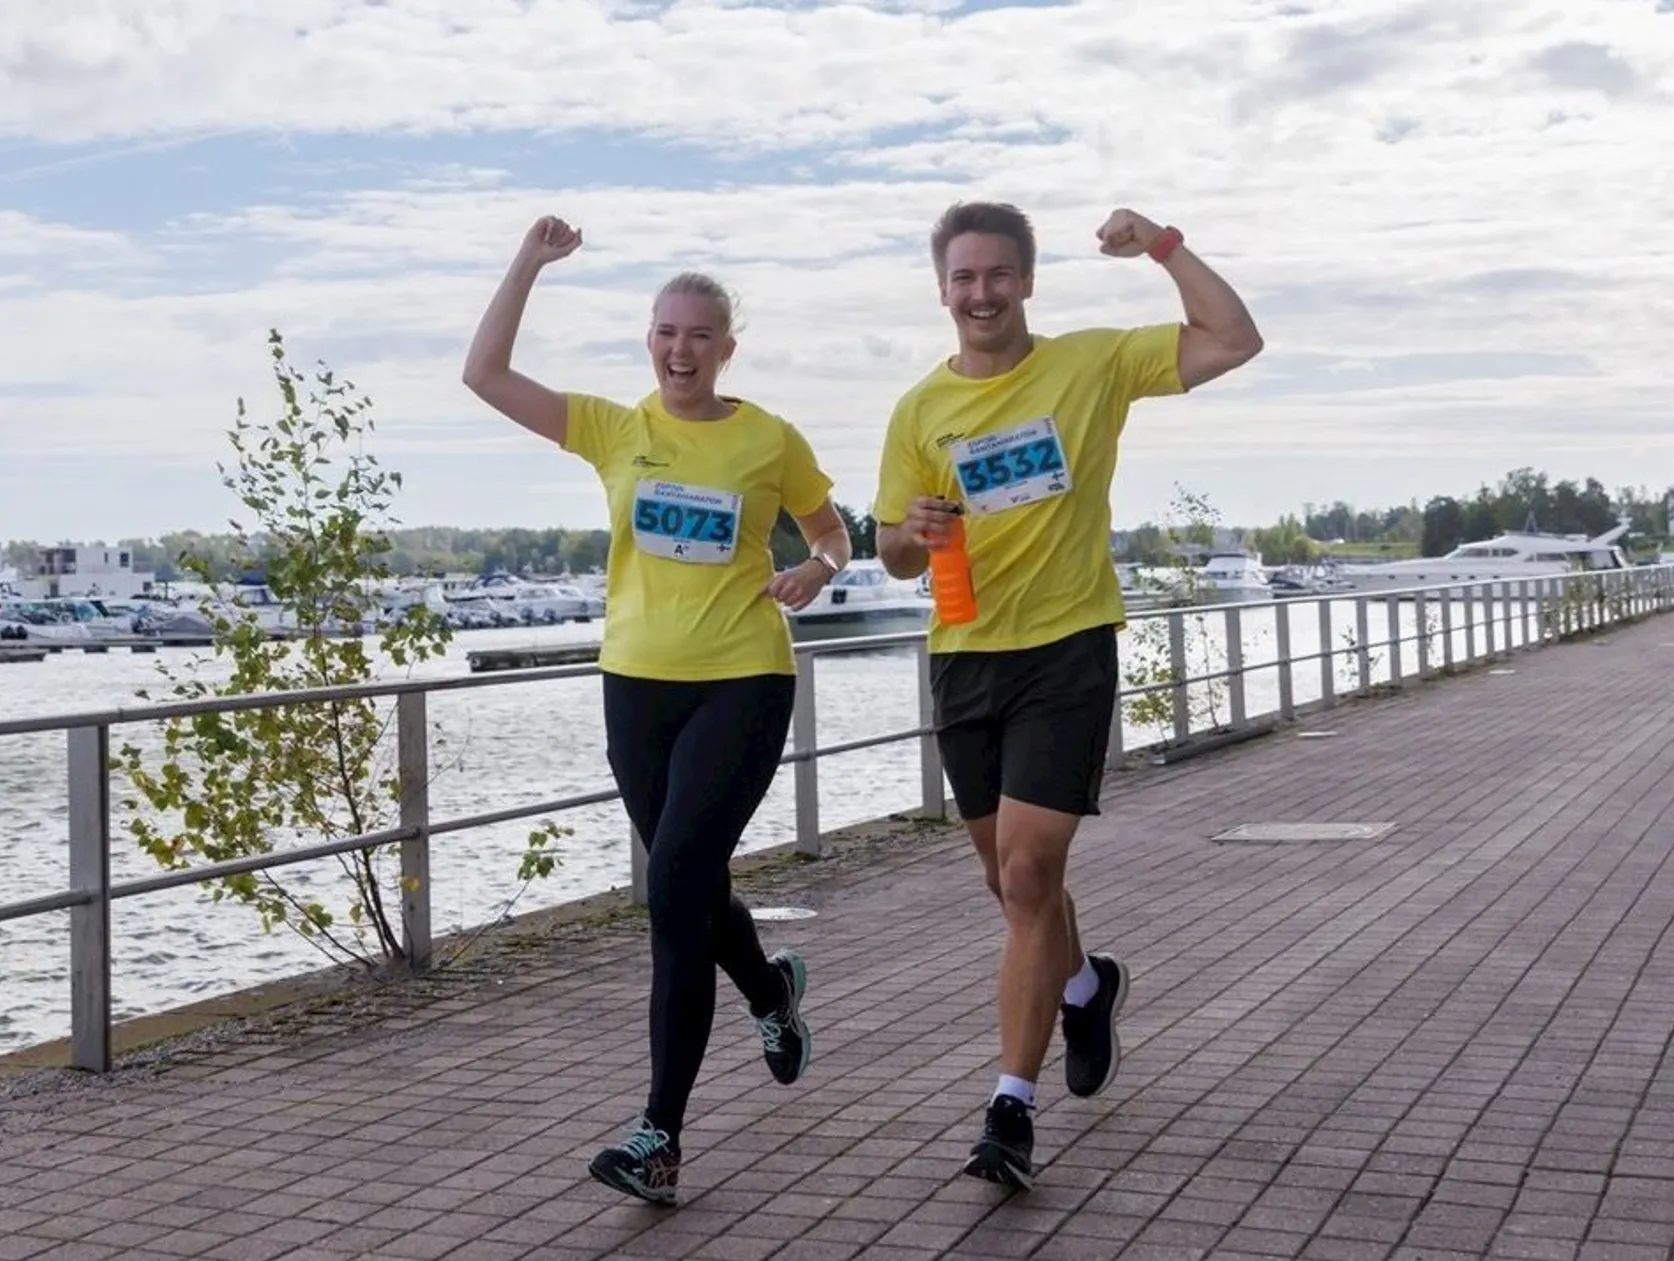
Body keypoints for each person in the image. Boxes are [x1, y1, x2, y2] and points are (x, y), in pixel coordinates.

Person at [461, 216, 852, 1206]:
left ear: (726, 347)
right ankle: (769, 989)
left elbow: (831, 528)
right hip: (636, 685)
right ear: (650, 339)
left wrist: (819, 566)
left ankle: (658, 1136)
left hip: (743, 679)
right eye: (665, 333)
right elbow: (485, 373)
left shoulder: (768, 437)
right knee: (688, 886)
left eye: (700, 335)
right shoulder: (615, 430)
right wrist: (531, 262)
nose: (681, 351)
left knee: (672, 886)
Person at [873, 201, 1263, 1189]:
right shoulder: (919, 411)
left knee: (1031, 871)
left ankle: (1011, 1104)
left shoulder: (1089, 366)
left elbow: (1234, 336)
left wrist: (1164, 248)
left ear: (1028, 282)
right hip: (966, 657)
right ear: (942, 290)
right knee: (1011, 886)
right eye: (964, 277)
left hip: (1067, 650)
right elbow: (893, 560)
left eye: (999, 274)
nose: (982, 293)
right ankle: (1085, 988)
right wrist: (914, 532)